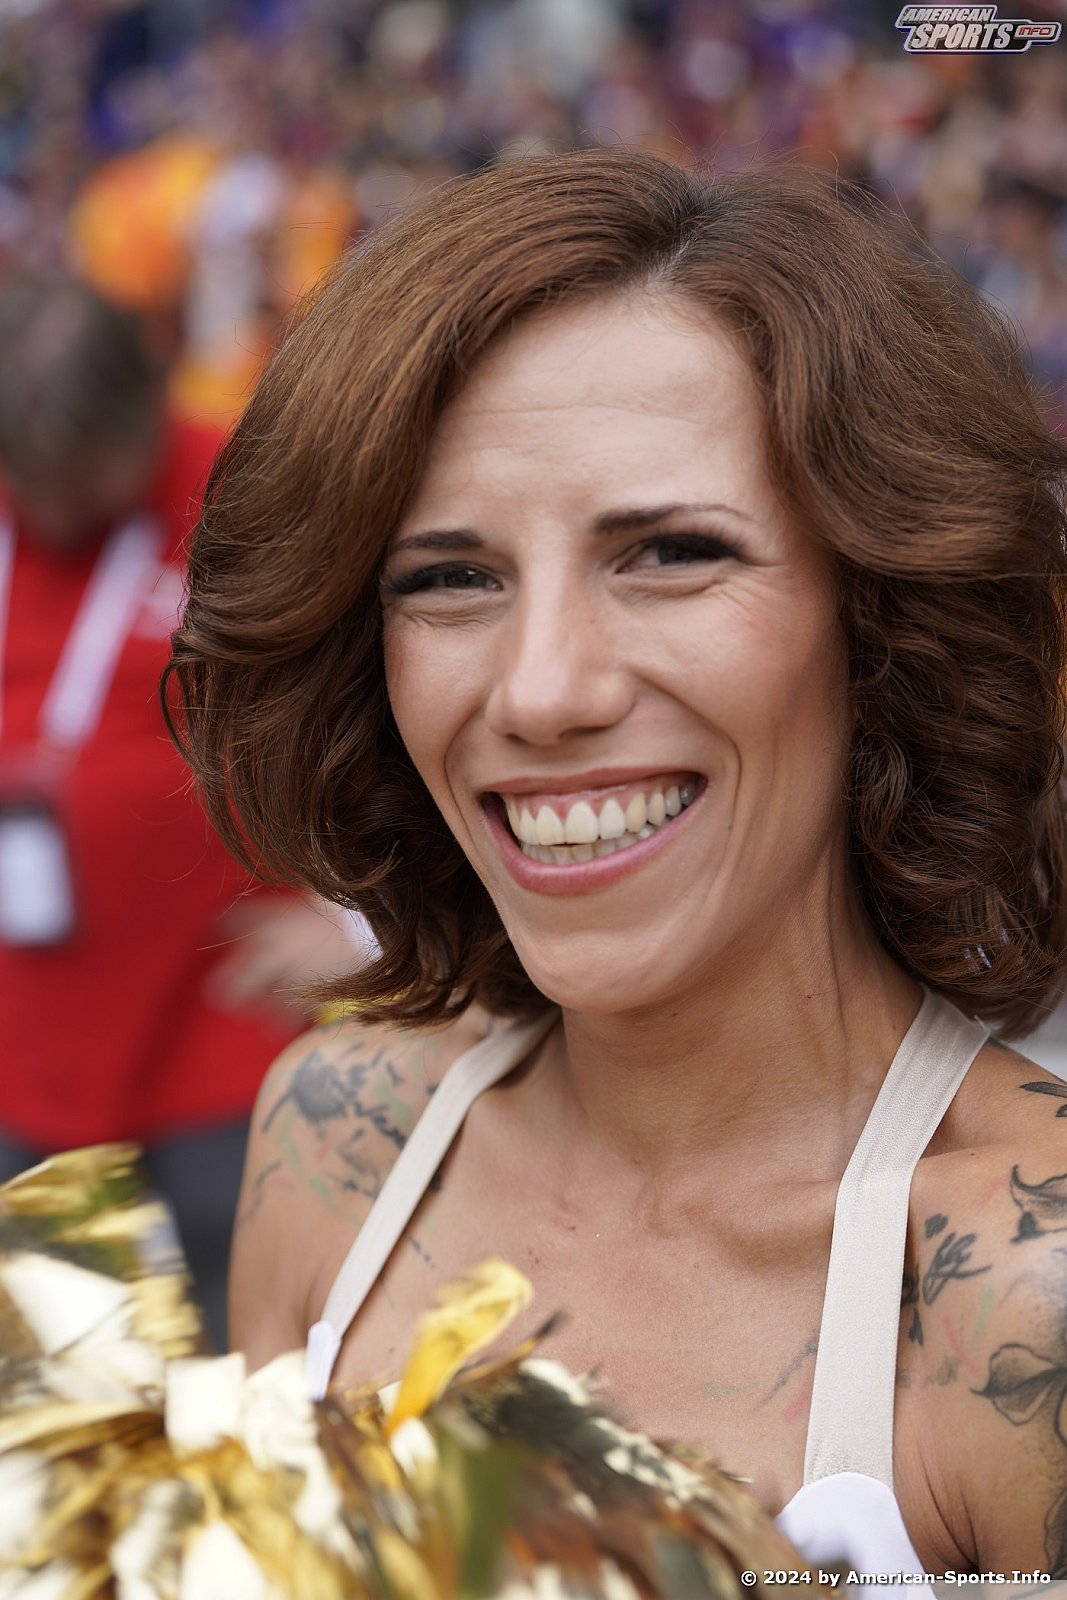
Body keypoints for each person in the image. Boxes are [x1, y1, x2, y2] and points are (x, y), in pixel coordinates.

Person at [166, 149, 1067, 1572]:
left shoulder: (1026, 1289)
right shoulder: (334, 1138)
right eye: (449, 577)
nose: (539, 690)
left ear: (880, 618)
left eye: (668, 553)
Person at [0, 273, 364, 1349]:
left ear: (141, 415)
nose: (51, 503)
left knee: (240, 1365)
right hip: (27, 1044)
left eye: (77, 474)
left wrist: (356, 923)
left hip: (212, 1038)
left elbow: (381, 709)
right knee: (61, 1379)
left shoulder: (251, 499)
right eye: (27, 476)